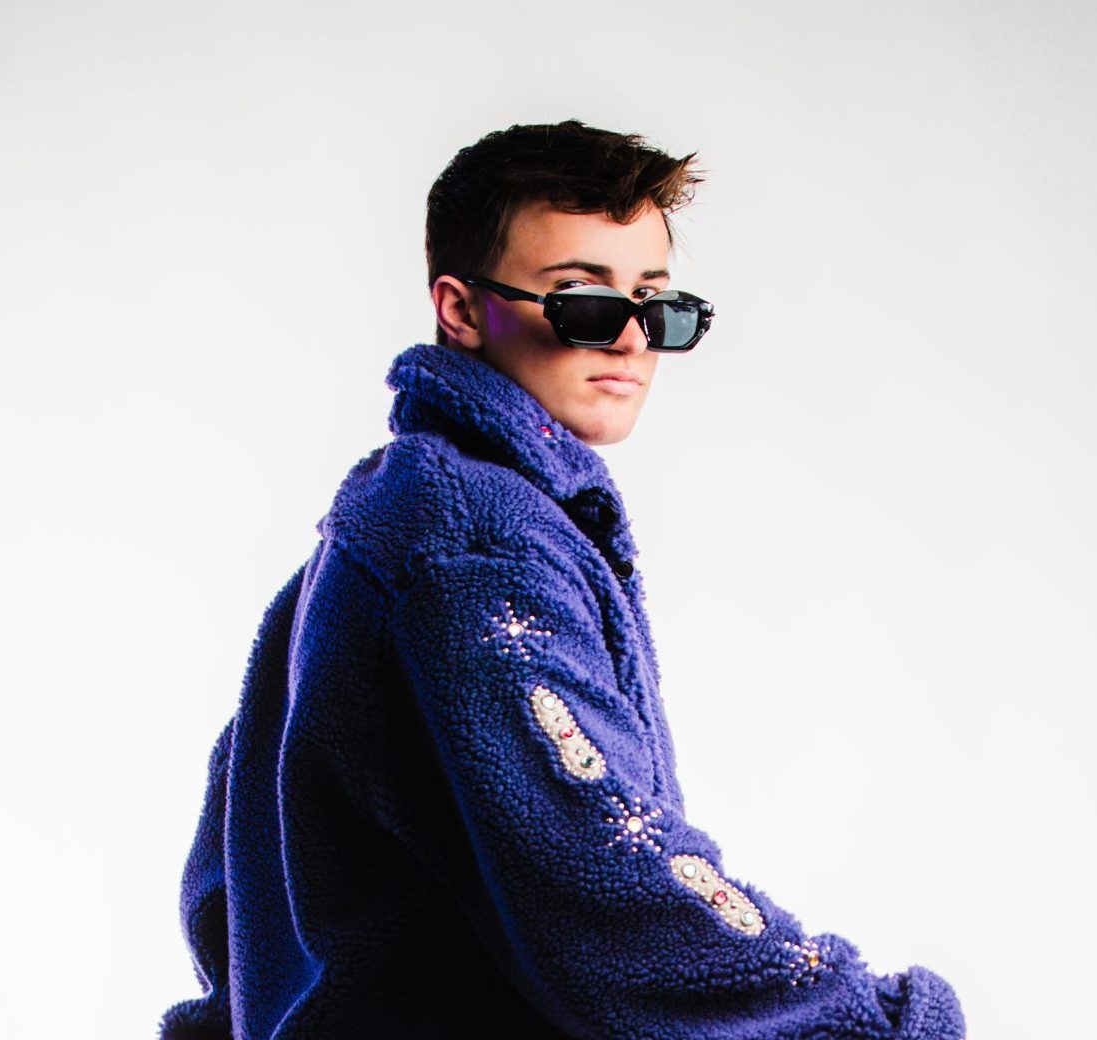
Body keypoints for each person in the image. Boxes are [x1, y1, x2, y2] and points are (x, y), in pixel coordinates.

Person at [158, 119, 966, 1039]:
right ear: (462, 310)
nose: (630, 341)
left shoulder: (394, 520)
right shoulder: (471, 540)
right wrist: (877, 1024)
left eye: (656, 305)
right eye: (582, 300)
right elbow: (609, 880)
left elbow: (229, 878)